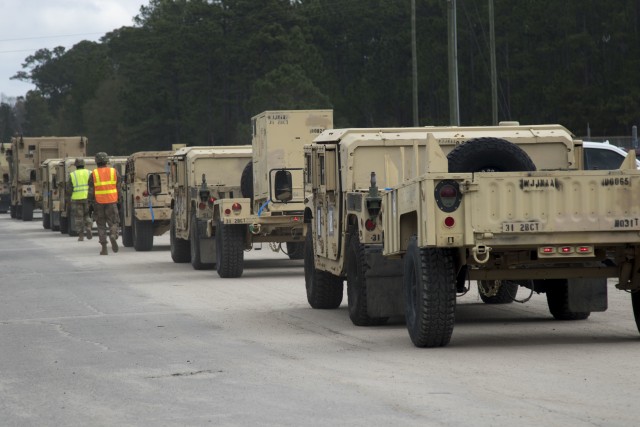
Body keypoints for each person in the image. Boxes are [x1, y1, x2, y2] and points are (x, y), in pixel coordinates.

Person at [88, 152, 120, 255]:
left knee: (101, 225)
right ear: (107, 161)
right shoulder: (114, 172)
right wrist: (119, 200)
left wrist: (90, 203)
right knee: (114, 222)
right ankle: (113, 235)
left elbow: (91, 191)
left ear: (96, 162)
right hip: (112, 201)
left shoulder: (94, 174)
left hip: (98, 202)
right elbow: (118, 187)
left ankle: (104, 248)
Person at [68, 158, 93, 241]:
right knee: (87, 215)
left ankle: (81, 235)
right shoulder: (89, 173)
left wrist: (70, 196)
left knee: (79, 217)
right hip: (87, 198)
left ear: (76, 166)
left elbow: (69, 189)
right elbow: (93, 186)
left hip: (76, 198)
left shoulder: (72, 174)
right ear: (84, 165)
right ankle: (89, 227)